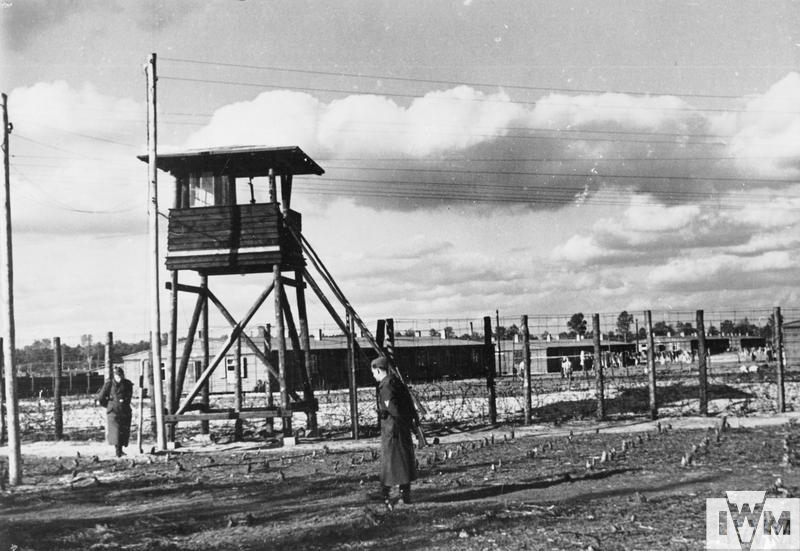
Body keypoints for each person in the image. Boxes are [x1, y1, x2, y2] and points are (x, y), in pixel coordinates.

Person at [370, 356, 417, 507]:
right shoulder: (396, 381)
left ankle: (386, 493)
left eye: (374, 373)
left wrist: (384, 413)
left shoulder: (385, 385)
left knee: (391, 462)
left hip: (392, 429)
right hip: (400, 428)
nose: (373, 376)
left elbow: (393, 408)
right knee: (402, 461)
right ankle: (403, 493)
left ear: (378, 370)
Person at [95, 366, 134, 457]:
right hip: (113, 411)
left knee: (124, 431)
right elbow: (101, 398)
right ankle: (118, 451)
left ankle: (120, 449)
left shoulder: (127, 384)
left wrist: (124, 402)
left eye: (120, 376)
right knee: (115, 431)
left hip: (125, 410)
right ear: (114, 376)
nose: (119, 378)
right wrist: (109, 405)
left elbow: (129, 396)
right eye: (117, 376)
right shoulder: (109, 384)